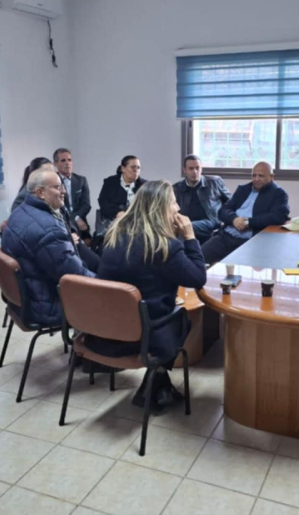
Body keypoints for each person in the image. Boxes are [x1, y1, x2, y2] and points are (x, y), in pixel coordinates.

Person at [95, 180, 207, 410]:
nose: (178, 208)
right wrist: (189, 237)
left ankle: (157, 383)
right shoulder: (163, 246)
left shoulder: (114, 235)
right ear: (159, 209)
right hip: (140, 337)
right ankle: (156, 381)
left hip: (102, 332)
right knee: (183, 319)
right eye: (173, 203)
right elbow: (197, 277)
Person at [2, 168, 99, 326]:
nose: (64, 192)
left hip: (31, 295)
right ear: (40, 193)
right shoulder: (49, 230)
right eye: (57, 187)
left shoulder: (20, 211)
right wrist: (106, 283)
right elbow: (76, 276)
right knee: (115, 300)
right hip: (47, 304)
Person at [200, 161, 290, 265]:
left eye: (261, 176)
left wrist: (248, 222)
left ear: (271, 176)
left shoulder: (279, 194)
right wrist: (234, 219)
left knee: (238, 269)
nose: (256, 179)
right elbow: (223, 210)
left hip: (251, 242)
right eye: (254, 175)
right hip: (226, 236)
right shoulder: (243, 189)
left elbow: (278, 216)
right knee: (198, 258)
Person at [172, 154, 231, 244]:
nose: (195, 171)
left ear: (201, 169)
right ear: (184, 170)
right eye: (191, 168)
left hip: (211, 222)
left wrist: (226, 219)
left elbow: (231, 202)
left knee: (185, 227)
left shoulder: (214, 182)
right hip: (188, 222)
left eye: (197, 168)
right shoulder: (177, 188)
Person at [53, 148, 92, 239]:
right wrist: (75, 218)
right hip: (61, 222)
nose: (67, 163)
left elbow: (86, 204)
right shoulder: (53, 181)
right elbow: (56, 206)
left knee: (90, 242)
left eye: (69, 160)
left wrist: (78, 217)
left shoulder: (81, 180)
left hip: (81, 221)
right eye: (63, 160)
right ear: (55, 164)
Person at [97, 155, 146, 223]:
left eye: (138, 167)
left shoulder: (145, 185)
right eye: (133, 167)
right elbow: (103, 202)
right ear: (123, 168)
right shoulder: (110, 182)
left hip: (138, 221)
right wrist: (117, 213)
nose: (136, 170)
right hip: (115, 220)